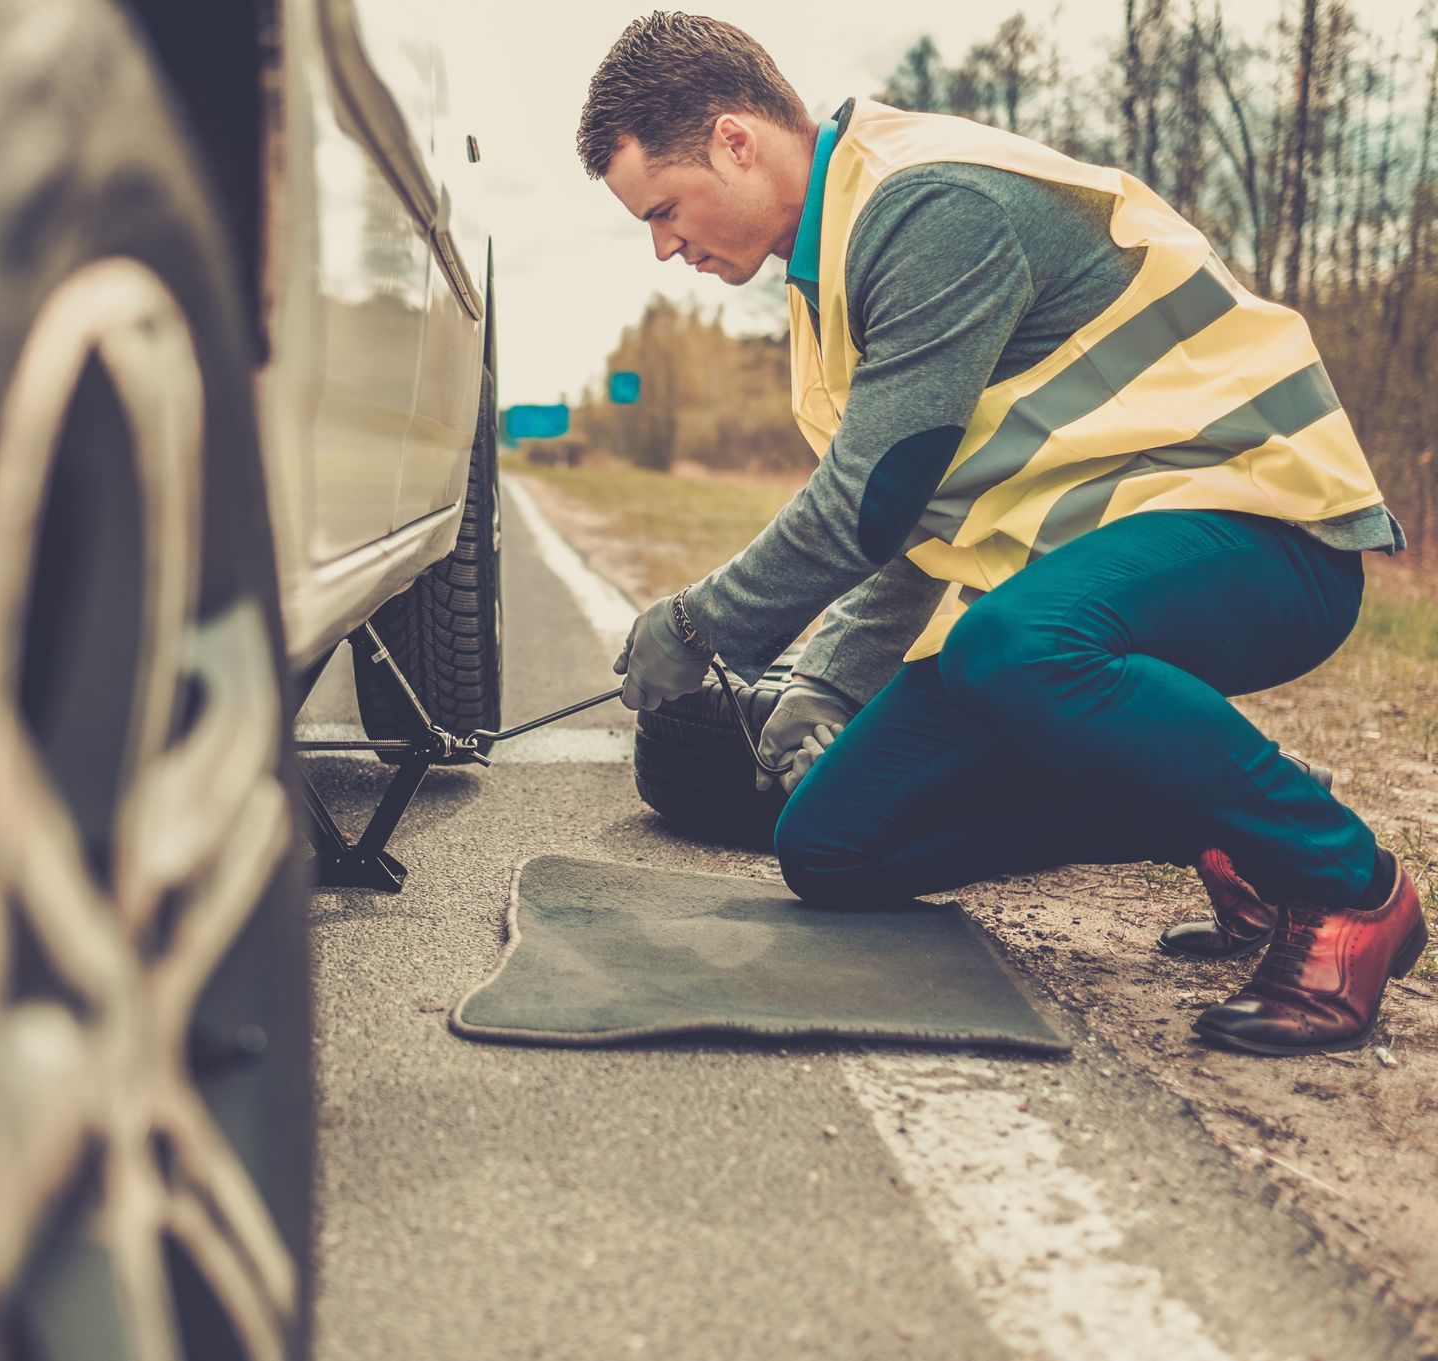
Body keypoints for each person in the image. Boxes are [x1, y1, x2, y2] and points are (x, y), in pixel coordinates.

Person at [581, 12, 1423, 1057]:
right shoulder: (827, 273)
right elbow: (923, 504)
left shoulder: (927, 205)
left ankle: (1348, 884)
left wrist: (703, 624)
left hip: (1266, 527)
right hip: (1095, 581)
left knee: (1008, 648)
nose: (664, 244)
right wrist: (828, 681)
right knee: (831, 844)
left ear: (734, 141)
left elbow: (868, 500)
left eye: (662, 210)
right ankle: (1215, 819)